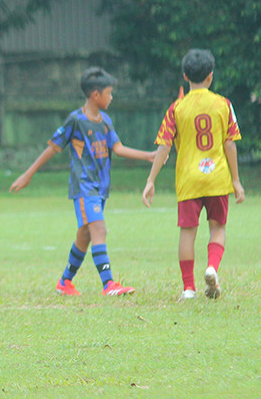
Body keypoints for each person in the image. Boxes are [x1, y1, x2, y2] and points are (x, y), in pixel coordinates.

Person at [10, 67, 156, 296]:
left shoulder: (105, 120)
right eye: (109, 93)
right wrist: (28, 174)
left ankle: (64, 282)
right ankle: (109, 284)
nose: (112, 97)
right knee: (99, 229)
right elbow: (53, 148)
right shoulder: (75, 120)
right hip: (84, 186)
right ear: (95, 95)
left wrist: (149, 156)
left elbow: (118, 148)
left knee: (84, 236)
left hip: (101, 187)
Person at [142, 49, 245, 300]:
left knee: (187, 232)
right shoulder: (224, 104)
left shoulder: (177, 108)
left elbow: (164, 146)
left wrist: (150, 180)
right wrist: (236, 181)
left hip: (188, 180)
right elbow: (230, 144)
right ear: (210, 77)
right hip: (217, 178)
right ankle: (212, 267)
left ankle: (188, 288)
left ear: (185, 76)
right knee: (218, 228)